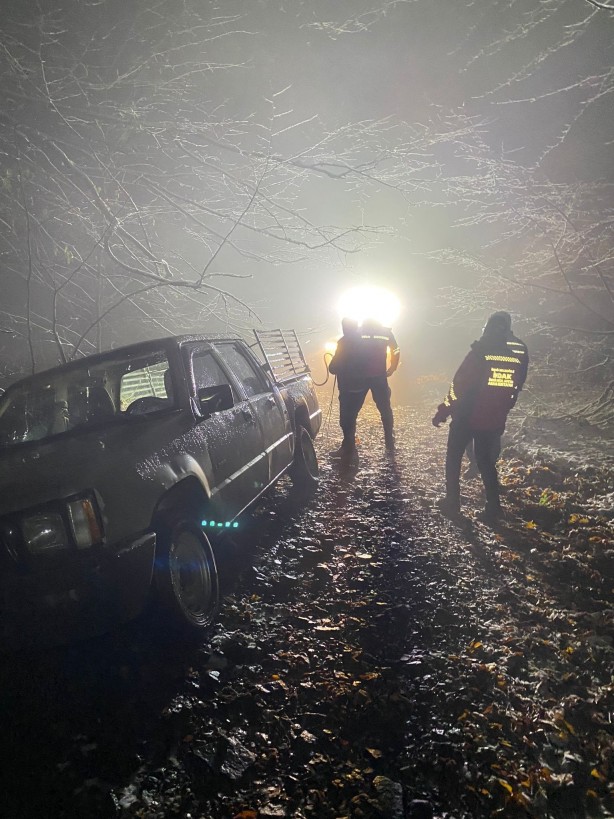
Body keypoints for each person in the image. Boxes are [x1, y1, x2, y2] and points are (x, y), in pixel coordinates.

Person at [432, 311, 528, 523]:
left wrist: (443, 411)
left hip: (468, 415)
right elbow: (516, 387)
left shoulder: (479, 351)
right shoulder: (516, 354)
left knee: (454, 456)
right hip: (494, 418)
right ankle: (493, 508)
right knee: (485, 462)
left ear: (487, 327)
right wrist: (503, 408)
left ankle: (452, 502)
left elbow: (459, 387)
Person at [329, 316, 400, 462]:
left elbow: (348, 352)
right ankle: (389, 441)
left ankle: (349, 446)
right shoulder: (386, 332)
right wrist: (392, 367)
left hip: (359, 378)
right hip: (379, 376)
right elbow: (395, 350)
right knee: (385, 409)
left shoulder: (358, 333)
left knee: (351, 413)